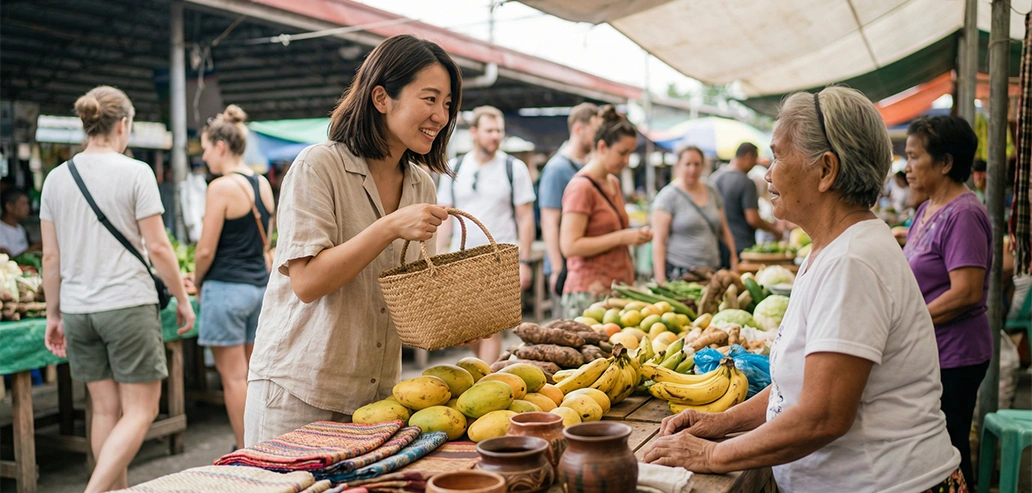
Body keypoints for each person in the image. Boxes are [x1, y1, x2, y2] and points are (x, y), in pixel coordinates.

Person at [642, 87, 964, 493]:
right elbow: (798, 389)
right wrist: (721, 422)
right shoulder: (831, 249)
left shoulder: (853, 262)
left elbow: (821, 415)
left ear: (826, 170)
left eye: (777, 155)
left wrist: (711, 455)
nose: (767, 173)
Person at [244, 35, 459, 445]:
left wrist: (455, 317)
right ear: (382, 97)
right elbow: (307, 283)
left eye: (447, 104)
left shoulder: (421, 186)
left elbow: (413, 299)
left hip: (377, 398)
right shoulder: (318, 166)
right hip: (299, 391)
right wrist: (389, 226)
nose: (441, 116)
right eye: (430, 99)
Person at [41, 86, 195, 493]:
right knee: (141, 411)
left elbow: (50, 259)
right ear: (123, 125)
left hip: (77, 310)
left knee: (105, 412)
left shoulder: (56, 179)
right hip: (127, 304)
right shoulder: (135, 172)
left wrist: (53, 314)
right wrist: (182, 299)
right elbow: (160, 247)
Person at [902, 115, 991, 486]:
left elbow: (967, 291)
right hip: (934, 351)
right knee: (935, 450)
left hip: (956, 355)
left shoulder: (965, 213)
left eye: (914, 157)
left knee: (948, 451)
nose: (906, 167)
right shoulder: (927, 207)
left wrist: (909, 321)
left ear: (945, 163)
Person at [193, 104, 275, 451]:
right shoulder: (262, 184)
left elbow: (206, 250)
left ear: (221, 147)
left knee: (232, 377)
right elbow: (267, 241)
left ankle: (245, 448)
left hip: (225, 290)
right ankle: (259, 441)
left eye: (206, 148)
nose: (205, 156)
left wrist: (195, 281)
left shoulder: (221, 187)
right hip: (258, 288)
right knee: (251, 375)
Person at [436, 105, 535, 363]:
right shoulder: (454, 167)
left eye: (499, 131)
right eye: (490, 130)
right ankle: (495, 369)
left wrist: (523, 261)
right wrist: (436, 257)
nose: (496, 136)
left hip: (498, 259)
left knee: (490, 327)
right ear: (474, 133)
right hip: (462, 258)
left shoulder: (514, 168)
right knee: (468, 330)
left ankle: (488, 384)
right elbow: (445, 217)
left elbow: (525, 218)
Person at [559, 105, 652, 318]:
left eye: (630, 152)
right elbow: (569, 245)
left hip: (616, 291)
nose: (627, 160)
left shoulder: (613, 183)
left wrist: (635, 236)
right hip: (589, 296)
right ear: (602, 147)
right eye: (622, 152)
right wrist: (622, 237)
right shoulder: (581, 187)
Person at [652, 145, 738, 283]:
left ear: (703, 166)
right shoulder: (667, 197)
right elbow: (659, 242)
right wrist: (660, 279)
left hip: (711, 271)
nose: (693, 169)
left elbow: (724, 229)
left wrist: (734, 260)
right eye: (688, 164)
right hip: (681, 274)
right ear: (678, 165)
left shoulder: (711, 190)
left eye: (697, 164)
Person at [539, 103, 599, 296]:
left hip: (585, 264)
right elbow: (549, 221)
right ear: (578, 129)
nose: (598, 138)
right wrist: (557, 268)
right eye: (594, 131)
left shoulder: (589, 165)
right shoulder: (557, 169)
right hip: (566, 266)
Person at [710, 143, 780, 254]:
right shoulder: (746, 182)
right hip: (742, 245)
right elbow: (752, 219)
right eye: (755, 159)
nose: (755, 164)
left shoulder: (714, 178)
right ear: (748, 156)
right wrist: (774, 231)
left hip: (718, 245)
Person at [0, 188, 41, 256]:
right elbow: (7, 259)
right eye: (23, 204)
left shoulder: (20, 228)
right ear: (9, 206)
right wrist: (34, 248)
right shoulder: (1, 229)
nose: (28, 208)